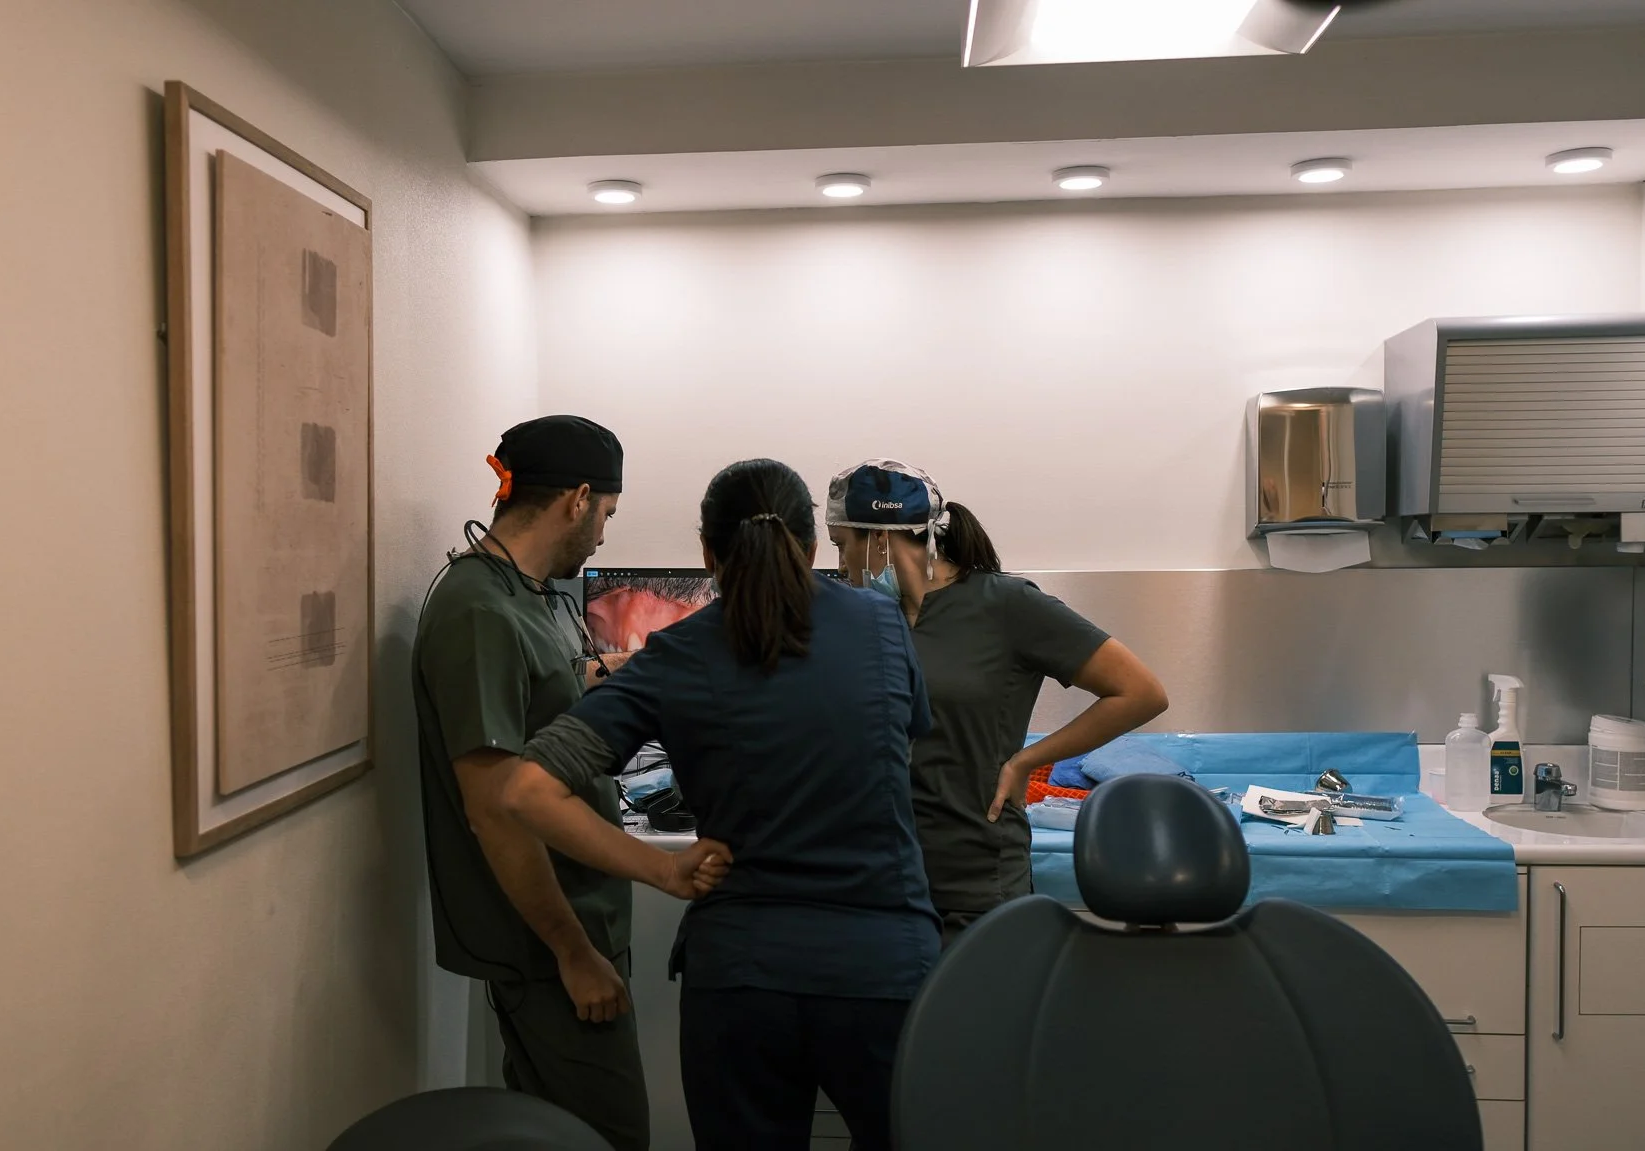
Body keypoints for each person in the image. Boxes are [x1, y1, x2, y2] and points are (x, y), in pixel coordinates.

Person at [496, 458, 942, 1151]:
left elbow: (526, 789)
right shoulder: (883, 625)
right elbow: (893, 752)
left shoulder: (676, 654)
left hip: (741, 979)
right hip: (881, 970)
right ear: (814, 547)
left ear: (708, 553)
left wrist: (660, 869)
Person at [413, 415, 722, 1151]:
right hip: (549, 941)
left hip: (580, 920)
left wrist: (625, 674)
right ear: (579, 498)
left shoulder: (527, 592)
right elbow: (495, 809)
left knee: (550, 1129)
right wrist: (573, 951)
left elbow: (548, 686)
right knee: (610, 1135)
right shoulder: (478, 612)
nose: (605, 538)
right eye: (608, 515)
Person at [825, 459, 1170, 945]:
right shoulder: (865, 619)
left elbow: (1140, 693)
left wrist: (1028, 758)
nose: (840, 565)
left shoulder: (1004, 605)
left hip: (973, 878)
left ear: (880, 537)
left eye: (843, 546)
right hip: (877, 879)